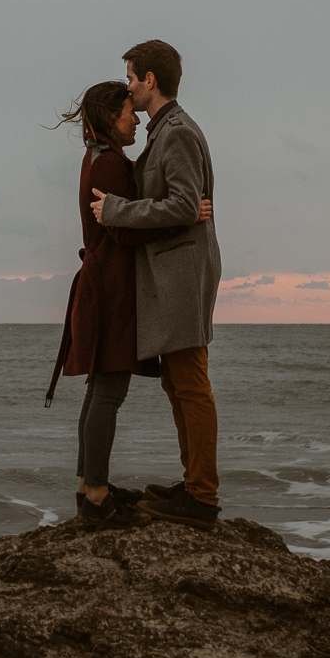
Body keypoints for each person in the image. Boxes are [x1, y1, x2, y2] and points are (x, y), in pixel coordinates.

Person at [52, 80, 210, 530]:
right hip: (113, 288)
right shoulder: (107, 166)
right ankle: (98, 497)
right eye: (128, 112)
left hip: (106, 284)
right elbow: (124, 230)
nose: (136, 118)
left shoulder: (101, 159)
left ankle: (89, 489)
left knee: (100, 389)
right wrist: (184, 215)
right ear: (109, 117)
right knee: (108, 391)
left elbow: (123, 219)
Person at [90, 39, 223, 531]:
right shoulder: (164, 131)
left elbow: (186, 205)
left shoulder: (178, 133)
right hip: (174, 272)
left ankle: (203, 498)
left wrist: (119, 210)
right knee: (178, 381)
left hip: (183, 274)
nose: (127, 87)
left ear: (150, 80)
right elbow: (188, 204)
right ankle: (193, 485)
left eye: (130, 78)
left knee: (191, 383)